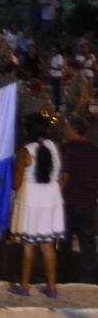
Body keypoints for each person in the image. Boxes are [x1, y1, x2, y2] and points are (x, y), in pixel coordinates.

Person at [9, 112, 65, 297]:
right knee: (47, 246)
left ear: (28, 130)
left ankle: (24, 286)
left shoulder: (25, 151)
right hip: (50, 201)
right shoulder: (53, 147)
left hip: (31, 202)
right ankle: (52, 287)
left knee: (28, 246)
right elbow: (59, 174)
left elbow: (16, 184)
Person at [60, 115, 98, 283]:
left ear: (74, 130)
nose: (65, 131)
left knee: (65, 243)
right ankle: (87, 280)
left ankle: (64, 278)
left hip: (69, 203)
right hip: (88, 204)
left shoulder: (66, 149)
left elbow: (64, 176)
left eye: (66, 129)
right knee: (88, 246)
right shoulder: (94, 150)